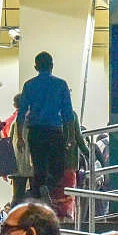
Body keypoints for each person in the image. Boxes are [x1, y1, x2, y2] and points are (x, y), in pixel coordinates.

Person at [16, 52, 74, 202]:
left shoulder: (29, 85)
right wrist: (70, 137)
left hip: (35, 132)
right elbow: (68, 114)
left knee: (39, 168)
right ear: (52, 66)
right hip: (54, 131)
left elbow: (21, 113)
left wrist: (20, 138)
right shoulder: (61, 84)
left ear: (35, 67)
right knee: (58, 169)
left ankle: (38, 192)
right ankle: (45, 189)